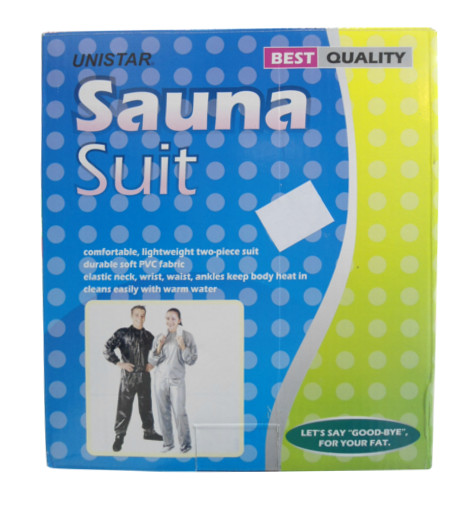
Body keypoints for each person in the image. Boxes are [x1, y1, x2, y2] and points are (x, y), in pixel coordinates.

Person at [103, 305, 163, 452]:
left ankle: (149, 431)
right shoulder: (122, 333)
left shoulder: (149, 336)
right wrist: (119, 363)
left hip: (144, 376)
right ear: (132, 316)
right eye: (137, 315)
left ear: (145, 317)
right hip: (128, 377)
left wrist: (152, 364)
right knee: (124, 407)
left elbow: (158, 353)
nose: (139, 318)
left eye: (142, 315)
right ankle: (119, 435)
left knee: (146, 406)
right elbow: (107, 348)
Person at [148, 308, 198, 453]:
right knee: (163, 413)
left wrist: (183, 346)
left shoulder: (187, 336)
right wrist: (159, 346)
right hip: (160, 381)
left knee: (180, 413)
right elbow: (152, 361)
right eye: (167, 318)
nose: (170, 321)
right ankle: (168, 443)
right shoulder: (160, 336)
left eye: (173, 318)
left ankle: (185, 444)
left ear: (179, 320)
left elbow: (192, 360)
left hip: (177, 381)